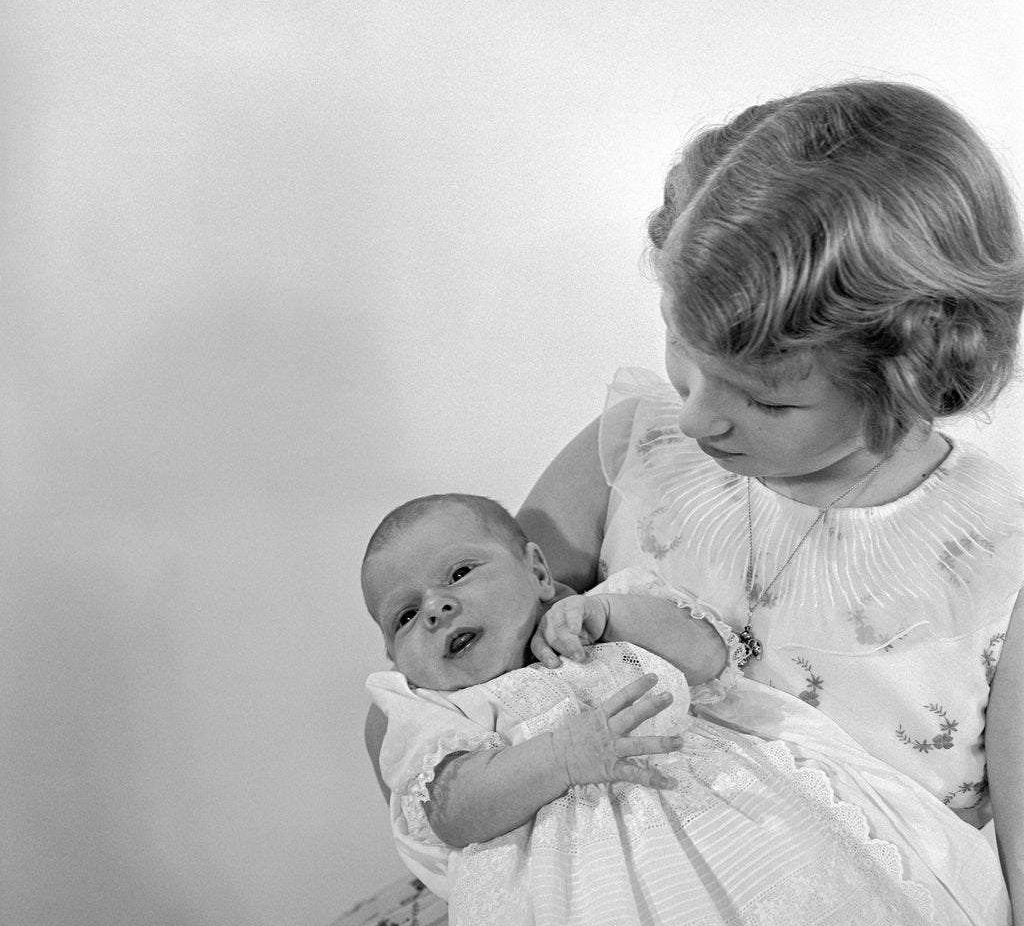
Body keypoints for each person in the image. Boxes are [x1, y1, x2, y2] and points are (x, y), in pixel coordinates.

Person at [364, 80, 1024, 918]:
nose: (702, 417)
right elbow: (423, 703)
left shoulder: (998, 566)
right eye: (684, 352)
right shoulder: (637, 453)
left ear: (914, 377)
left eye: (769, 400)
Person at [362, 492, 1005, 925]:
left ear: (536, 570)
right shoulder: (435, 711)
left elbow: (707, 658)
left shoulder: (609, 613)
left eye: (459, 573)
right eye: (406, 614)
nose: (437, 607)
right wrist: (561, 758)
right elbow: (452, 813)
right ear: (397, 659)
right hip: (569, 884)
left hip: (725, 807)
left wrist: (610, 616)